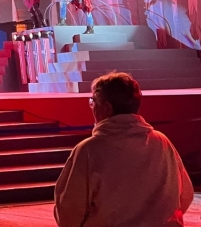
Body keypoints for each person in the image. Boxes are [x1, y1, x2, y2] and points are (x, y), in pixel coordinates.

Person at [54, 72, 192, 227]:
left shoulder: (89, 150)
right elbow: (185, 195)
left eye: (93, 101)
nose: (91, 107)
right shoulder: (162, 142)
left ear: (107, 108)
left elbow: (69, 212)